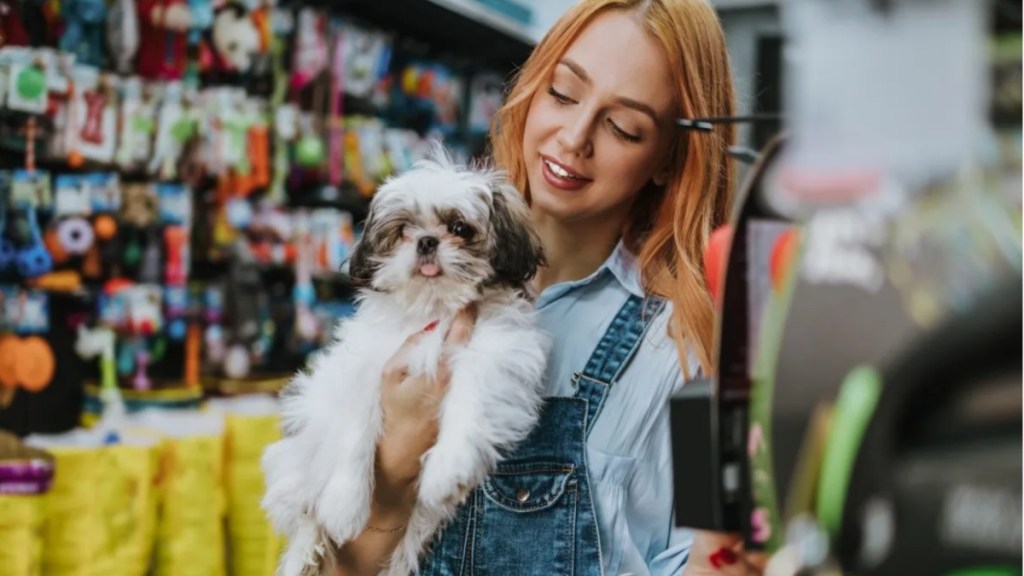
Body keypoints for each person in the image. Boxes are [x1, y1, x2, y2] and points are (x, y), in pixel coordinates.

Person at [330, 0, 762, 574]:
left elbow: (706, 561)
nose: (575, 138)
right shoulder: (413, 287)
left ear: (666, 160)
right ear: (532, 90)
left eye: (623, 128)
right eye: (562, 93)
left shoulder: (678, 351)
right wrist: (391, 476)